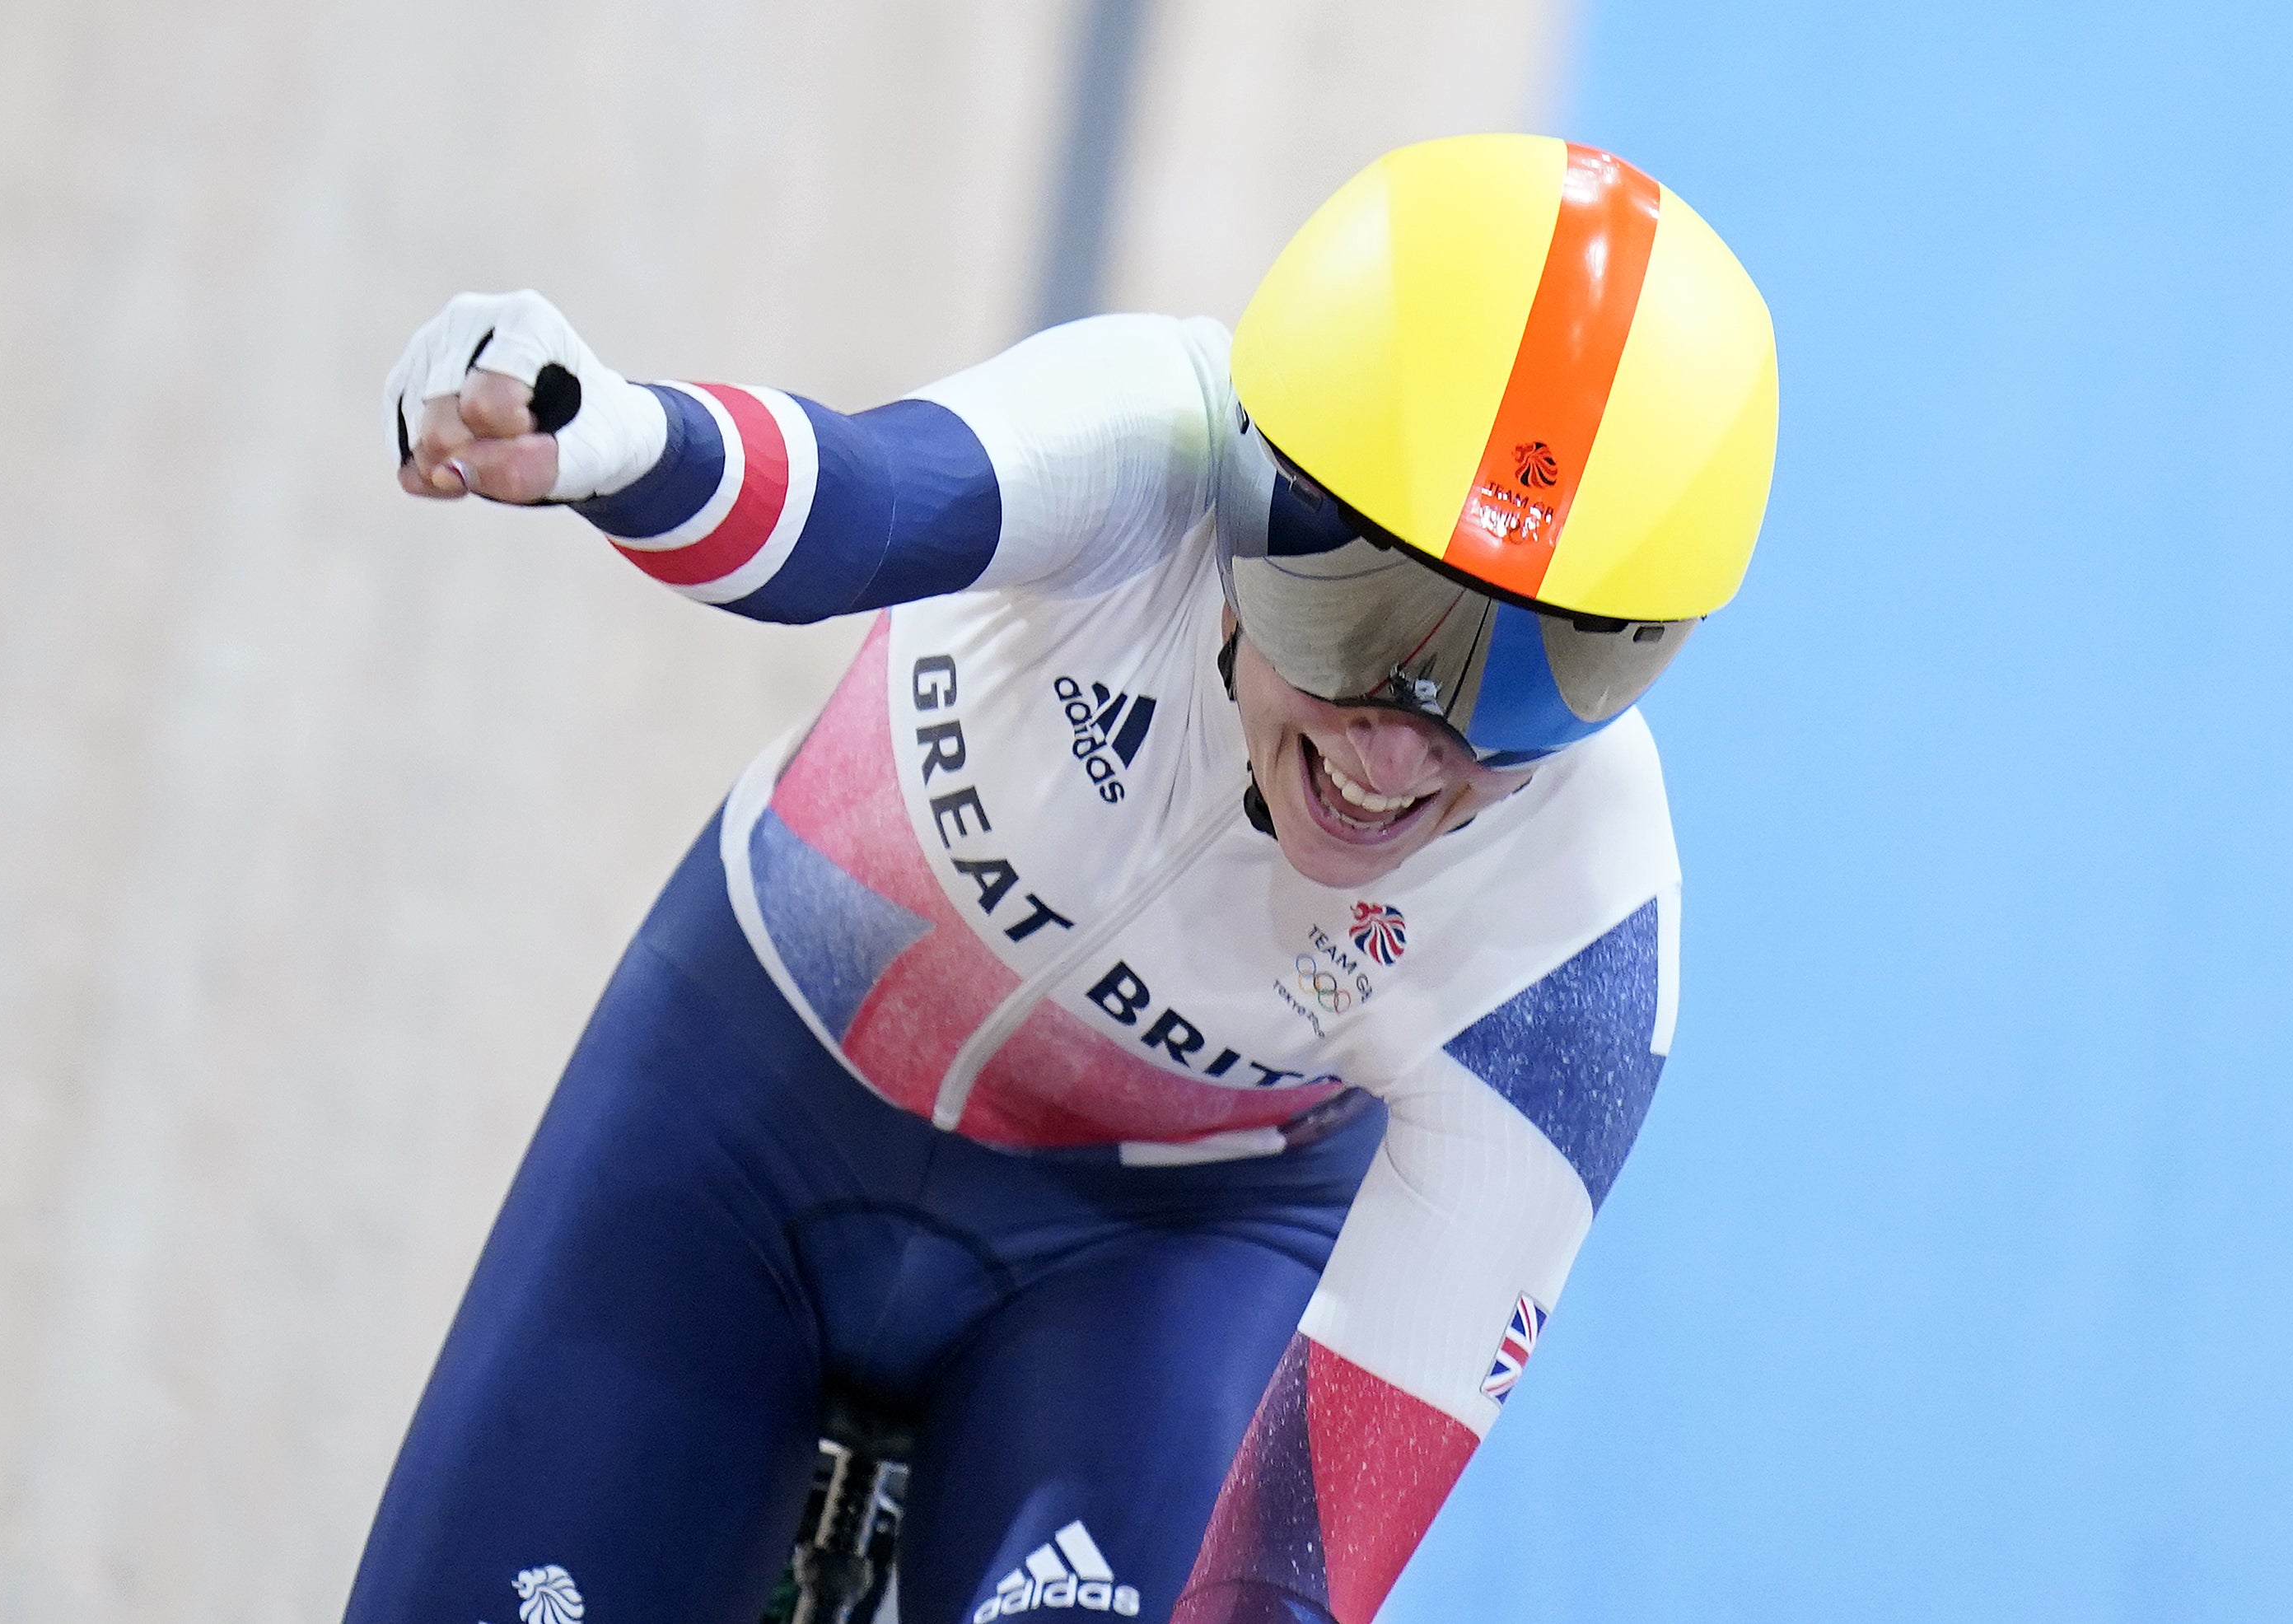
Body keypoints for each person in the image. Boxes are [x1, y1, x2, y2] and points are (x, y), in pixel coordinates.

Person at [352, 133, 1777, 1624]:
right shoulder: (1149, 434)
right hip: (752, 1102)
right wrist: (621, 445)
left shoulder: (1585, 932)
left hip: (1162, 1263)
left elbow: (1296, 1573)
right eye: (1361, 615)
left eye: (1534, 681)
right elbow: (853, 504)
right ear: (1250, 491)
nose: (1404, 750)